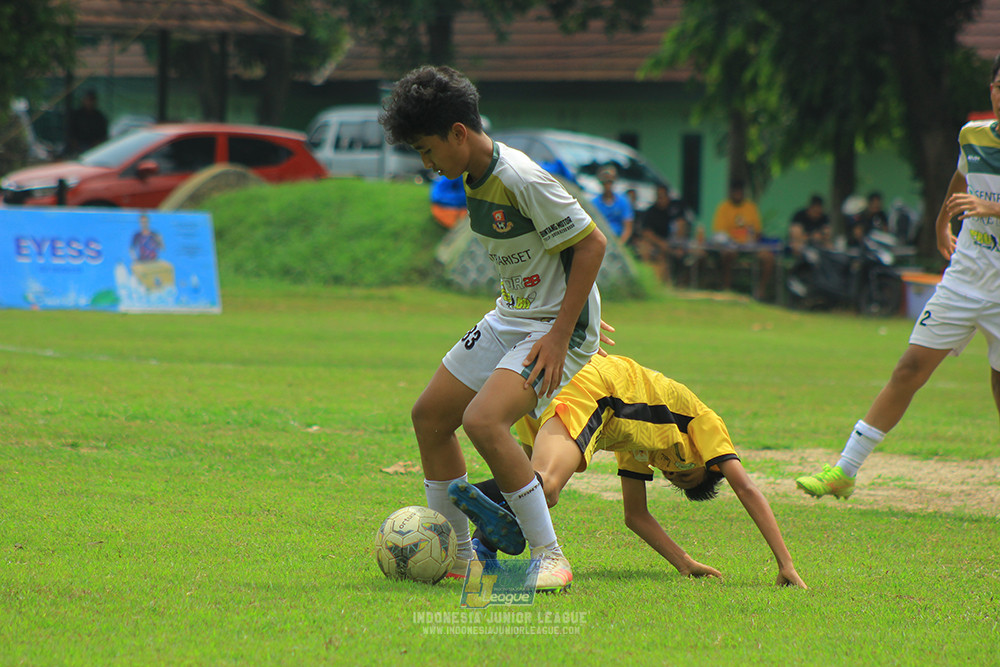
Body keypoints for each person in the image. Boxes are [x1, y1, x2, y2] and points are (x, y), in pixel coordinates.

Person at [378, 65, 607, 593]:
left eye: (428, 150)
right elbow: (554, 258)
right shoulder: (472, 177)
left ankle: (551, 557)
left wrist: (564, 327)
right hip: (513, 315)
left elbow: (591, 245)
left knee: (483, 421)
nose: (427, 163)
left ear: (459, 132)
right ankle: (456, 557)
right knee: (431, 417)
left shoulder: (520, 177)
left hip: (553, 330)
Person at [795, 54, 1000, 500]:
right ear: (990, 89)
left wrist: (992, 208)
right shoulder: (974, 135)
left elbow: (982, 201)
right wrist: (942, 223)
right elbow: (960, 180)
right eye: (998, 85)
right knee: (909, 368)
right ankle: (844, 471)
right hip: (965, 277)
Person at [450, 354, 807, 588]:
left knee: (530, 491)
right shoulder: (704, 421)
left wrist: (684, 563)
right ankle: (476, 497)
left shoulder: (642, 445)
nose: (670, 471)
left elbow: (635, 515)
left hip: (558, 384)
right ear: (705, 461)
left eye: (673, 478)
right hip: (594, 388)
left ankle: (482, 545)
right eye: (684, 472)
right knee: (545, 489)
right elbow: (746, 488)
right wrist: (785, 563)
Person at [710, 180, 775, 300]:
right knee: (727, 255)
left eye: (740, 192)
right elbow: (720, 233)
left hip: (750, 246)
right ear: (731, 193)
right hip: (731, 246)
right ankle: (726, 288)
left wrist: (751, 240)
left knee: (768, 258)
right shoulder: (723, 207)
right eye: (735, 192)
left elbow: (757, 232)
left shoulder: (751, 207)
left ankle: (760, 291)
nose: (738, 194)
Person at [633, 185, 693, 285]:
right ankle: (658, 283)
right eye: (658, 196)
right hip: (658, 244)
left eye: (663, 196)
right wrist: (662, 244)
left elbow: (681, 226)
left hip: (676, 243)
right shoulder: (651, 212)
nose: (660, 199)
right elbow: (647, 233)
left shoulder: (675, 209)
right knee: (651, 252)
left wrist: (676, 244)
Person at [591, 164, 634, 245]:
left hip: (618, 240)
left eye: (610, 181)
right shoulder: (594, 203)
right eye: (605, 181)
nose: (608, 184)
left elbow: (628, 227)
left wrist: (620, 244)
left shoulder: (623, 201)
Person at [67, 90, 108, 155]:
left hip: (94, 147)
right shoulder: (77, 115)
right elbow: (71, 133)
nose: (89, 102)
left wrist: (96, 144)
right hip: (79, 146)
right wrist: (76, 146)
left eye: (91, 100)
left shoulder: (99, 116)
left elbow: (103, 135)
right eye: (87, 100)